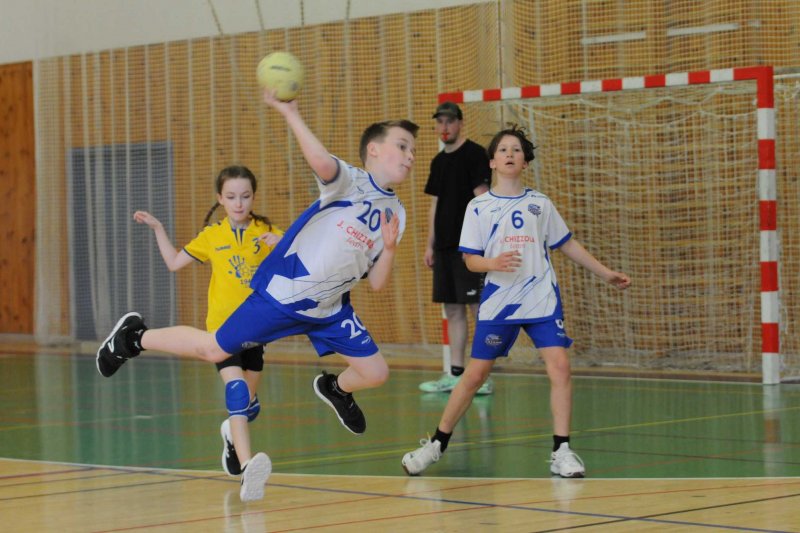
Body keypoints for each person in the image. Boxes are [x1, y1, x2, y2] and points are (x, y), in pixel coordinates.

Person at [96, 87, 418, 501]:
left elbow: (376, 283)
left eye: (413, 149)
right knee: (213, 349)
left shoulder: (397, 213)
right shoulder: (348, 180)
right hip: (283, 295)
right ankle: (133, 338)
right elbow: (320, 160)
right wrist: (290, 113)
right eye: (402, 146)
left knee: (376, 373)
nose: (410, 155)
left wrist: (389, 249)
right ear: (374, 150)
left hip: (331, 309)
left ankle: (336, 389)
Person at [401, 125, 631, 478]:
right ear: (492, 162)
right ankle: (436, 444)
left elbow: (567, 244)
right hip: (500, 302)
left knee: (560, 366)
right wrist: (492, 263)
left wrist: (605, 273)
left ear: (525, 162)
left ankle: (562, 451)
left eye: (517, 150)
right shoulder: (479, 207)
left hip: (541, 299)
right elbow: (470, 260)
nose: (510, 154)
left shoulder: (540, 204)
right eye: (503, 150)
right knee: (475, 376)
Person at [130, 165, 283, 497]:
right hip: (222, 331)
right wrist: (158, 228)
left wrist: (283, 241)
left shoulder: (266, 231)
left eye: (245, 196)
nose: (238, 203)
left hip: (257, 330)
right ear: (220, 199)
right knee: (237, 392)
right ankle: (248, 469)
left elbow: (301, 259)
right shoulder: (212, 236)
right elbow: (173, 263)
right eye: (231, 197)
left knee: (249, 406)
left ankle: (231, 434)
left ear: (253, 197)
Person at [420, 102, 493, 395]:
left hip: (469, 248)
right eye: (440, 122)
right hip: (444, 248)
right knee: (452, 309)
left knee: (478, 308)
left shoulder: (474, 154)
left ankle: (482, 376)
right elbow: (435, 204)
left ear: (460, 123)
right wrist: (430, 244)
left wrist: (480, 242)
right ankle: (456, 374)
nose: (445, 127)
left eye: (450, 121)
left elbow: (483, 199)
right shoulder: (438, 161)